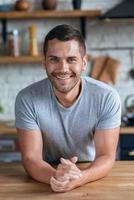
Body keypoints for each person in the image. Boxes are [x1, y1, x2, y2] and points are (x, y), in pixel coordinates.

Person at [15, 24, 121, 193]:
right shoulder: (27, 99)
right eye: (54, 59)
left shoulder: (106, 97)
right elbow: (31, 158)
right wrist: (56, 177)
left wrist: (79, 178)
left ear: (84, 63)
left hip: (92, 173)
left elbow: (106, 156)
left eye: (71, 59)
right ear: (44, 62)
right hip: (45, 173)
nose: (63, 68)